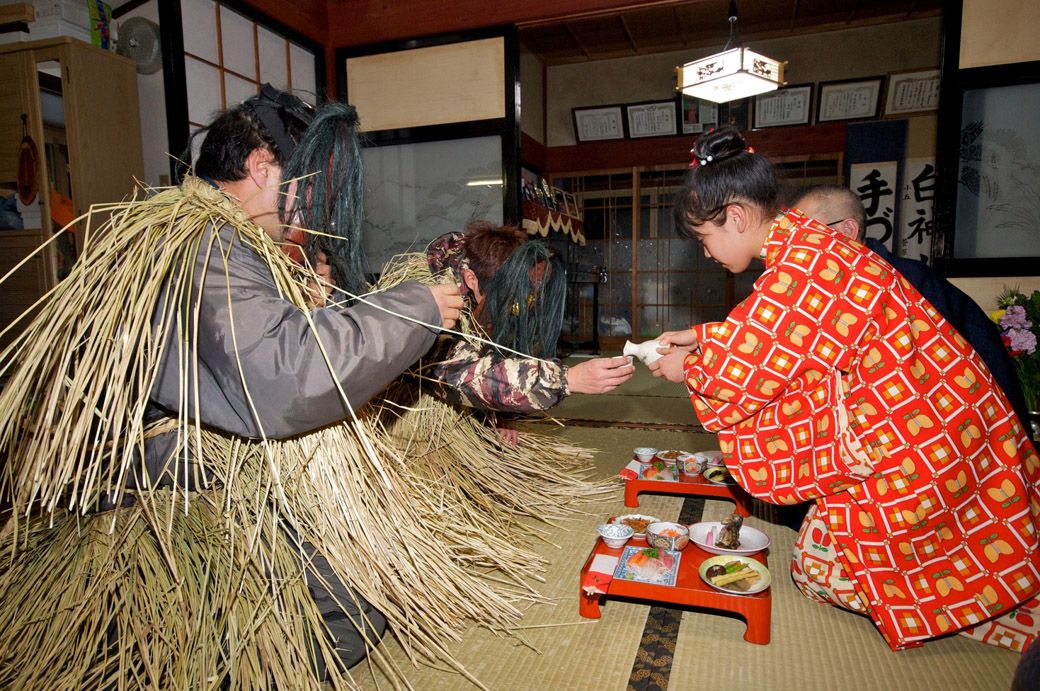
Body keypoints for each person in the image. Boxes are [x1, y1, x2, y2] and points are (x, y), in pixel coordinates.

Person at [0, 85, 463, 687]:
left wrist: (313, 303)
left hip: (182, 462)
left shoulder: (202, 230)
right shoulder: (205, 244)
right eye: (308, 188)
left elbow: (248, 348)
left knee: (365, 570)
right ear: (261, 167)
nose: (311, 212)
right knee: (352, 597)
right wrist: (413, 309)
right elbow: (285, 380)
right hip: (151, 483)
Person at [649, 128, 1040, 653]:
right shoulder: (810, 245)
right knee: (835, 547)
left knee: (823, 573)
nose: (707, 253)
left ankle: (981, 611)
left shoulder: (798, 268)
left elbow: (749, 366)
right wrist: (701, 337)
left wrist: (689, 368)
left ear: (736, 218)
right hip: (944, 409)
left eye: (705, 239)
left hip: (912, 438)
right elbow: (772, 333)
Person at [794, 185, 1031, 427]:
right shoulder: (827, 292)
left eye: (809, 236)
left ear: (848, 230)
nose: (800, 248)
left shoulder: (909, 283)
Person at [421, 222, 634, 430]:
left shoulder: (494, 289)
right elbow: (465, 374)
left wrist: (501, 412)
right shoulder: (432, 309)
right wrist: (567, 379)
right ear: (471, 279)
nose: (524, 301)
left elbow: (501, 355)